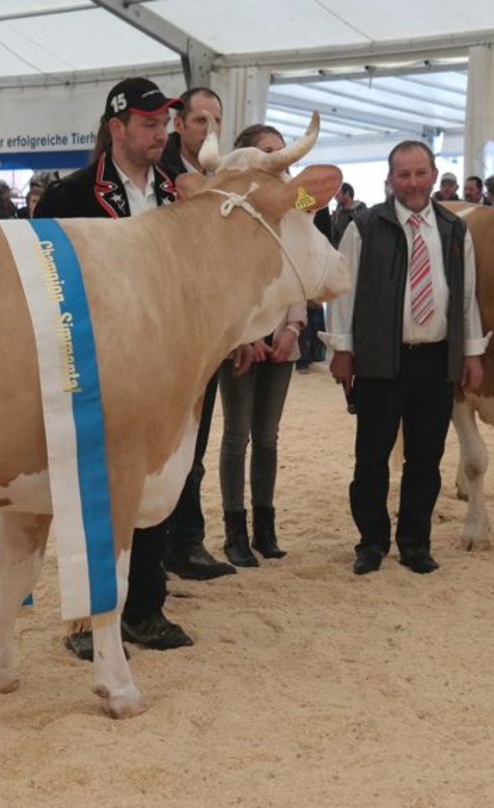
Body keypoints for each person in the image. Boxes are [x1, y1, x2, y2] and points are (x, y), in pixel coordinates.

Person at [36, 76, 193, 659]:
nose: (162, 132)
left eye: (165, 123)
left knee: (154, 483)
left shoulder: (179, 192)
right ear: (117, 127)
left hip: (163, 364)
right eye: (151, 123)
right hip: (92, 364)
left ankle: (145, 610)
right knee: (91, 491)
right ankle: (84, 619)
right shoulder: (70, 196)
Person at [323, 140, 487, 576]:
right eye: (404, 175)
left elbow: (466, 296)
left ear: (434, 175)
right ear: (390, 180)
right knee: (372, 458)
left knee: (425, 459)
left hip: (434, 361)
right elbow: (344, 290)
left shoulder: (455, 230)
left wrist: (471, 352)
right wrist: (342, 348)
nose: (413, 183)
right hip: (380, 359)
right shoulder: (363, 226)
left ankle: (415, 543)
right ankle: (371, 542)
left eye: (420, 173)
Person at [215, 124, 308, 567]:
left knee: (267, 436)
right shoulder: (230, 210)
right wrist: (246, 336)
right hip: (242, 341)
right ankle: (234, 530)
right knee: (236, 435)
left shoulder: (296, 204)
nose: (278, 159)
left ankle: (264, 528)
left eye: (280, 151)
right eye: (267, 152)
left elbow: (302, 268)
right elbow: (227, 279)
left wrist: (293, 328)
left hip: (283, 338)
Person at [153, 86, 236, 582]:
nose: (209, 129)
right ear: (179, 125)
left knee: (196, 445)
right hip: (162, 330)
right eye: (200, 120)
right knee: (162, 446)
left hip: (206, 332)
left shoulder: (223, 180)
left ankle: (185, 544)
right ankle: (161, 548)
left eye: (216, 121)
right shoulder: (160, 179)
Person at [330, 183, 367, 247]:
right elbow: (334, 237)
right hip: (340, 253)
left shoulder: (362, 212)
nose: (335, 196)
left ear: (347, 193)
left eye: (338, 193)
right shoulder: (337, 214)